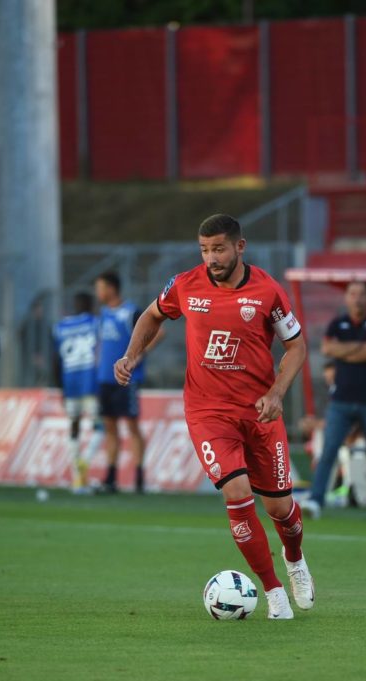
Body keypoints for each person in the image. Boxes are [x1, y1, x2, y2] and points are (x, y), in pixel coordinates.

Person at [113, 213, 312, 620]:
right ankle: (273, 591)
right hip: (208, 412)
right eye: (204, 250)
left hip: (259, 412)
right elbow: (152, 314)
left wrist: (276, 393)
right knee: (237, 494)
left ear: (240, 247)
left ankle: (294, 559)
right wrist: (131, 355)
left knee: (280, 510)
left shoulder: (268, 291)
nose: (211, 258)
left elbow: (296, 347)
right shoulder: (185, 284)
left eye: (218, 249)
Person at [303, 281, 366, 522]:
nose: (357, 299)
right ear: (346, 298)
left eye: (362, 294)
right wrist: (360, 348)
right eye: (353, 294)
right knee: (329, 450)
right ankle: (315, 500)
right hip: (341, 401)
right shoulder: (337, 323)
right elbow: (327, 349)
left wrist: (343, 350)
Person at [94, 271, 161, 493]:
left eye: (101, 287)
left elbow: (158, 332)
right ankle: (110, 478)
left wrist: (139, 355)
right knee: (110, 427)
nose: (98, 292)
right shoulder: (103, 314)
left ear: (112, 288)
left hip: (127, 379)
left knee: (132, 426)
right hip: (105, 378)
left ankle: (139, 478)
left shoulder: (131, 312)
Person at [53, 292, 101, 493]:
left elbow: (56, 360)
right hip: (91, 383)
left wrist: (61, 388)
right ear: (90, 305)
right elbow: (101, 352)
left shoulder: (61, 327)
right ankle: (85, 462)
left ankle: (76, 476)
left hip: (70, 384)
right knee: (99, 426)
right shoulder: (96, 323)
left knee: (74, 425)